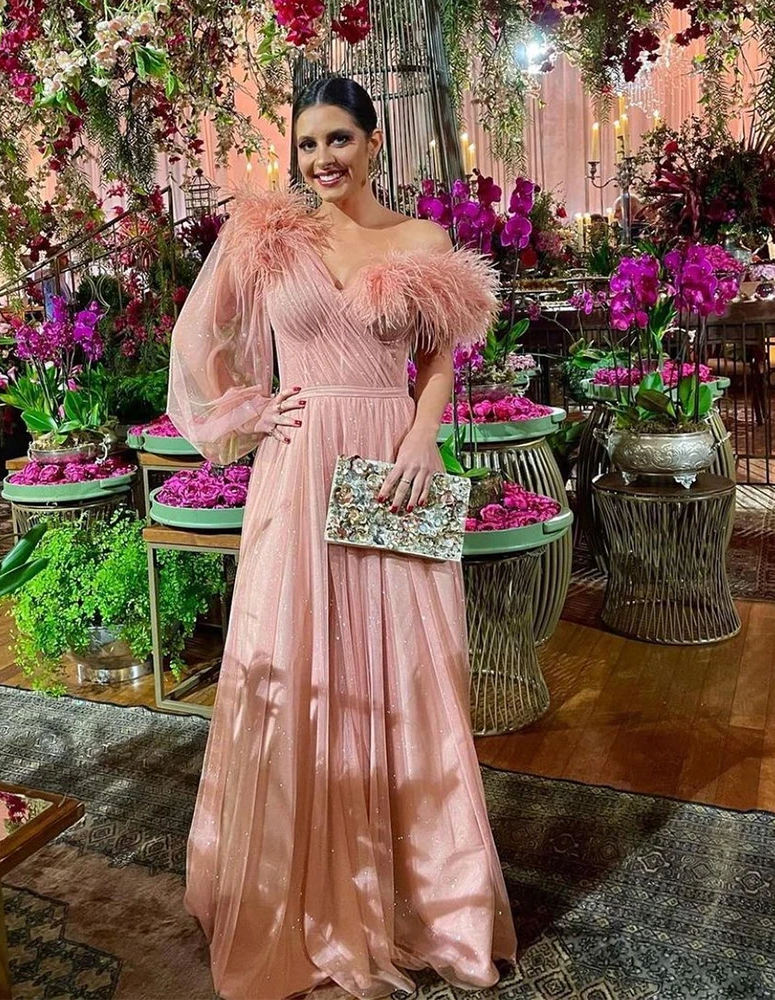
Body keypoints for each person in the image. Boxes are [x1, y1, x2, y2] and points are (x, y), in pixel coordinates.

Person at [167, 76, 517, 1000]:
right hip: (298, 465)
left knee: (410, 670)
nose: (322, 159)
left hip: (392, 466)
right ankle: (299, 897)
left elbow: (439, 359)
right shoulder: (268, 237)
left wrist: (422, 439)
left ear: (371, 143)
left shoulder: (422, 241)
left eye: (339, 139)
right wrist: (249, 409)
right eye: (308, 143)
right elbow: (198, 343)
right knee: (297, 657)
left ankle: (428, 901)